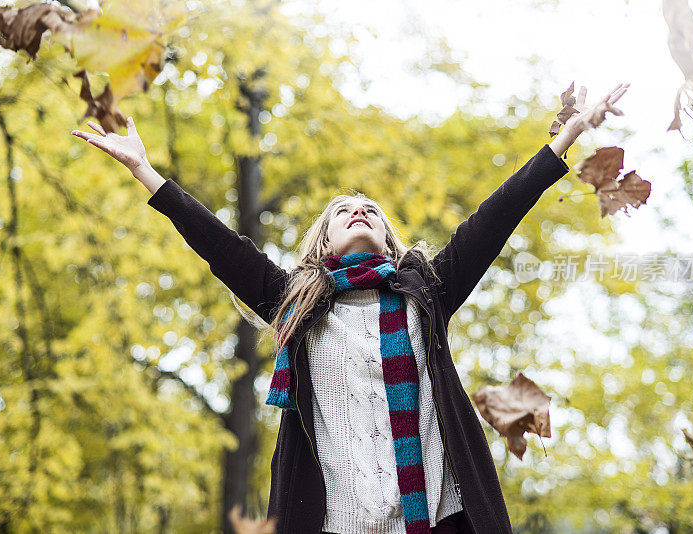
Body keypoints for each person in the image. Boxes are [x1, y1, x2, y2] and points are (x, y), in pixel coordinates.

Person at [71, 82, 629, 534]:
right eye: (344, 211)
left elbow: (494, 219)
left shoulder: (426, 292)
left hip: (439, 518)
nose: (359, 211)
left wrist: (567, 138)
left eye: (370, 210)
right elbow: (219, 245)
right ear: (323, 241)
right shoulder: (294, 302)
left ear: (388, 242)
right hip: (341, 523)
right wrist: (148, 174)